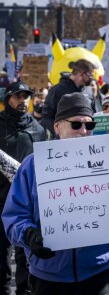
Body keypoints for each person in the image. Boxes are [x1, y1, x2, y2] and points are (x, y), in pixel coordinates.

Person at [2, 92, 109, 295]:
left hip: (98, 272)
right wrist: (29, 235)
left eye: (89, 125)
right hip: (48, 275)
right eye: (76, 125)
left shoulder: (108, 164)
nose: (83, 131)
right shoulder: (33, 165)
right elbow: (13, 217)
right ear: (57, 126)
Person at [0, 82, 46, 295]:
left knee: (25, 256)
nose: (23, 101)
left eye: (26, 96)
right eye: (17, 96)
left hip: (26, 203)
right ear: (7, 99)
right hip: (0, 201)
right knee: (1, 257)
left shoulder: (37, 130)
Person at [41, 59, 97, 137]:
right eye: (90, 75)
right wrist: (58, 133)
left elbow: (94, 114)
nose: (92, 78)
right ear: (82, 73)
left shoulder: (89, 91)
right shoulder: (57, 90)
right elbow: (46, 117)